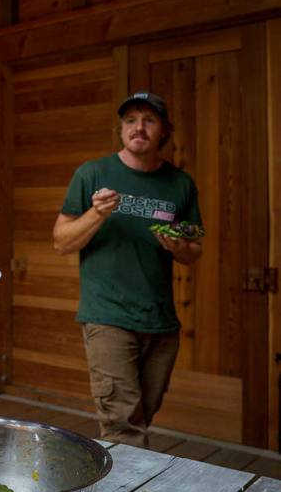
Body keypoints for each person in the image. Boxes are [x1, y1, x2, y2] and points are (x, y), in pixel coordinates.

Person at [52, 91, 203, 446]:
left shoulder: (180, 184)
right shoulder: (93, 173)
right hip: (107, 317)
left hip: (161, 321)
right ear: (121, 128)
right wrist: (97, 213)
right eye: (131, 120)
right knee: (123, 426)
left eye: (149, 120)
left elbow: (194, 249)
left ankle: (123, 481)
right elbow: (61, 240)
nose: (139, 127)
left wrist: (179, 246)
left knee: (141, 417)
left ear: (164, 130)